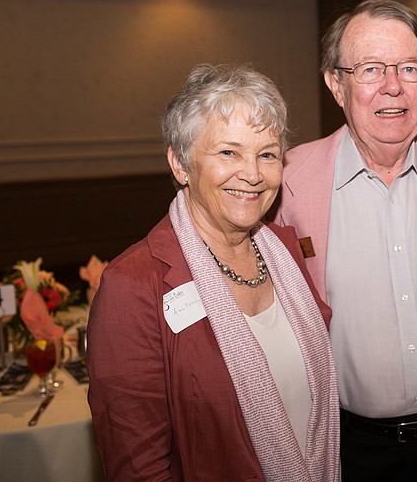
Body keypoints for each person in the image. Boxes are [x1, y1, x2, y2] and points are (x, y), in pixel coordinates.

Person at [273, 0, 417, 481]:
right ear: (337, 84)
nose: (392, 87)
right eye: (371, 68)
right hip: (350, 451)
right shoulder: (288, 182)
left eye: (410, 68)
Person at [87, 63, 339, 482]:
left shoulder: (287, 253)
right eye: (228, 152)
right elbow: (138, 466)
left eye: (268, 154)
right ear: (180, 164)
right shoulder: (133, 285)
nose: (254, 174)